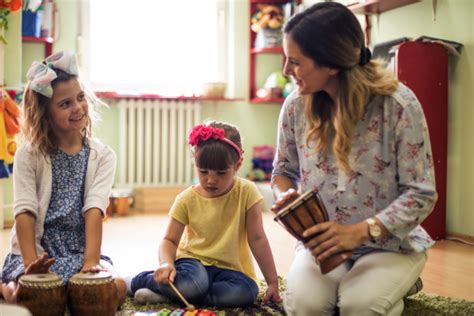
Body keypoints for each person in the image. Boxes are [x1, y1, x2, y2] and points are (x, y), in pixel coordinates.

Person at [271, 2, 437, 315]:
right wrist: (286, 196)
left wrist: (358, 232)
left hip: (390, 244)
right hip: (323, 246)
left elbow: (421, 194)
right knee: (305, 307)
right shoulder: (295, 106)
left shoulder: (398, 105)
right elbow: (282, 170)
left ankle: (395, 283)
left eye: (295, 61)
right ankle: (376, 285)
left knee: (358, 306)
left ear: (331, 65)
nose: (285, 71)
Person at [0, 51, 126, 306]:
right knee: (21, 296)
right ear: (45, 113)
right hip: (37, 251)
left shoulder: (102, 156)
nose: (77, 107)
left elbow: (94, 209)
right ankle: (6, 286)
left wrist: (91, 262)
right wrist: (30, 266)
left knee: (118, 288)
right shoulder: (29, 154)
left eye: (80, 98)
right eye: (65, 104)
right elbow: (25, 211)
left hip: (79, 251)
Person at [129, 121, 281, 308]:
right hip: (192, 265)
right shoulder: (186, 199)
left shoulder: (247, 192)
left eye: (221, 172)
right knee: (193, 284)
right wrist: (166, 264)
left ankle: (172, 296)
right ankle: (138, 281)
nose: (210, 180)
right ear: (195, 163)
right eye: (203, 171)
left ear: (238, 164)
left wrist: (272, 282)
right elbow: (169, 240)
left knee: (248, 291)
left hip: (229, 270)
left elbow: (258, 239)